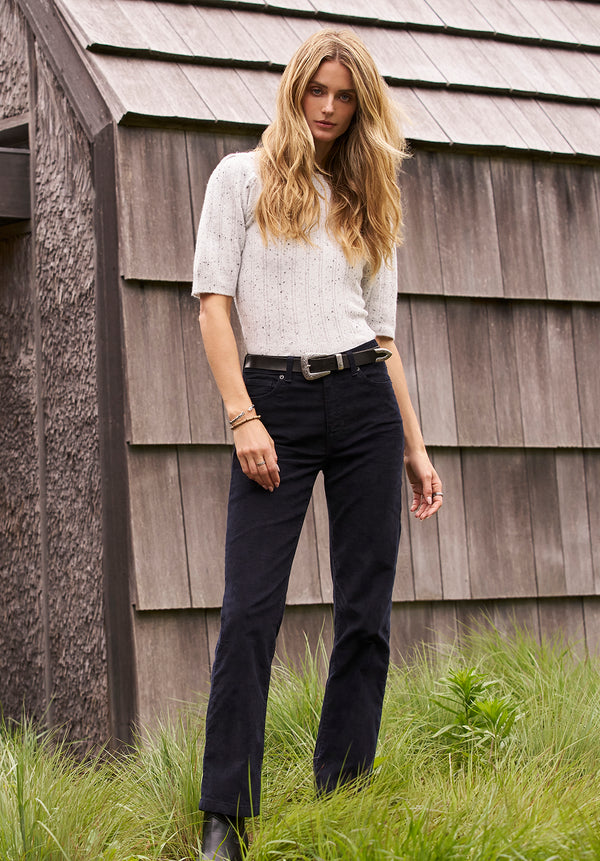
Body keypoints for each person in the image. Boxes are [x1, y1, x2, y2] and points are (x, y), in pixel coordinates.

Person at [192, 28, 443, 861]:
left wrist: (415, 448)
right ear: (295, 88)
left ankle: (344, 792)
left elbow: (383, 338)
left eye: (345, 97)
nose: (329, 108)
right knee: (250, 611)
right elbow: (213, 305)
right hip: (274, 402)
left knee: (365, 612)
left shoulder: (370, 197)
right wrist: (242, 416)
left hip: (366, 401)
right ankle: (225, 815)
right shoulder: (240, 178)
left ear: (362, 106)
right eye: (317, 91)